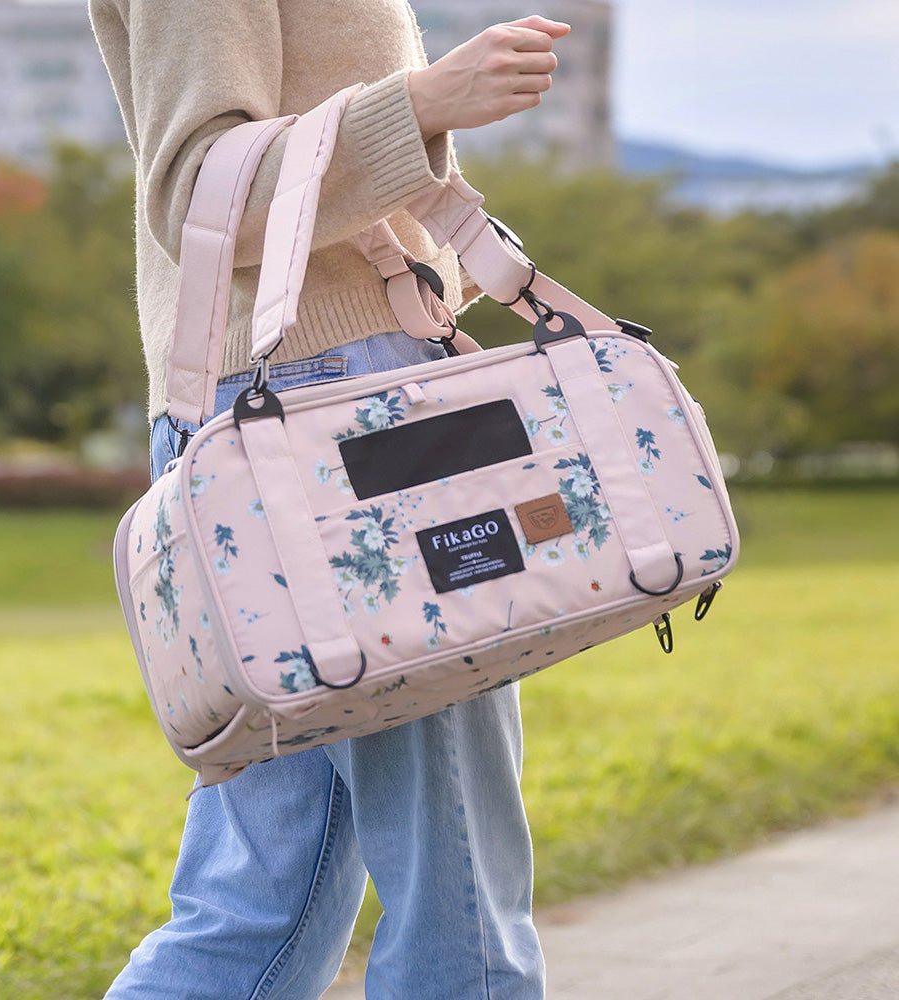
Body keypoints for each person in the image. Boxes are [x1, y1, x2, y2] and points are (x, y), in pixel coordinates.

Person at [89, 3, 572, 997]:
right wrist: (426, 102)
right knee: (457, 878)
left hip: (296, 413)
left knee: (264, 898)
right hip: (324, 423)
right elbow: (200, 193)